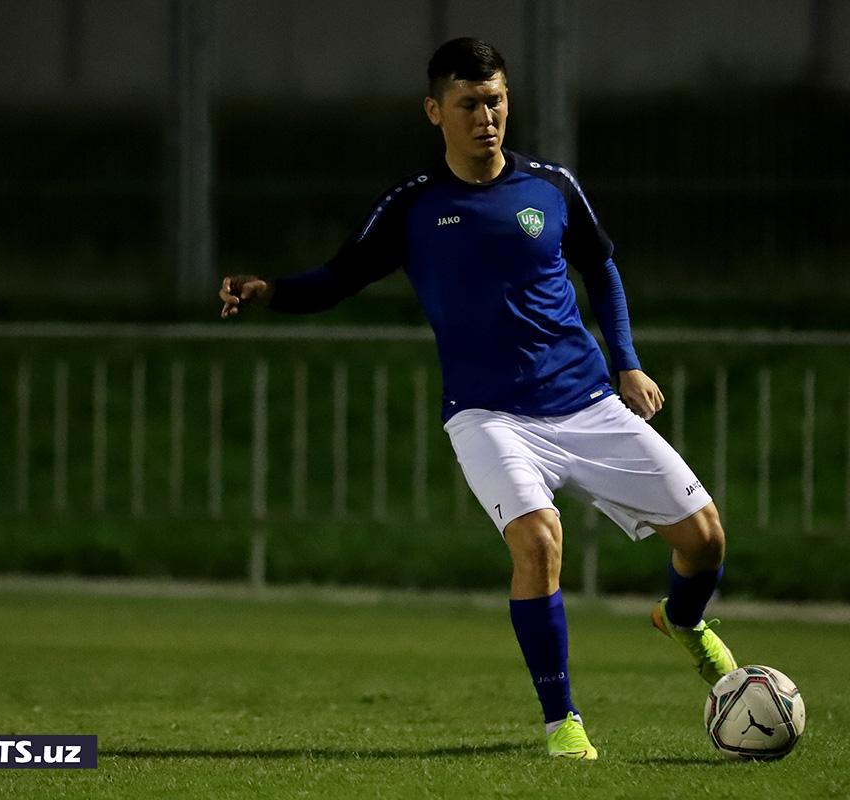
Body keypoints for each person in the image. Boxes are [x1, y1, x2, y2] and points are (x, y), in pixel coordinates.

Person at [219, 37, 735, 761]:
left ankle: (682, 621)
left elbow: (602, 266)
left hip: (586, 401)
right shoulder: (412, 205)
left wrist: (627, 363)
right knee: (537, 540)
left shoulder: (552, 186)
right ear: (435, 111)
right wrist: (268, 289)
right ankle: (563, 723)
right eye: (468, 104)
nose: (486, 117)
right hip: (488, 416)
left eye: (495, 100)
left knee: (706, 538)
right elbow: (338, 278)